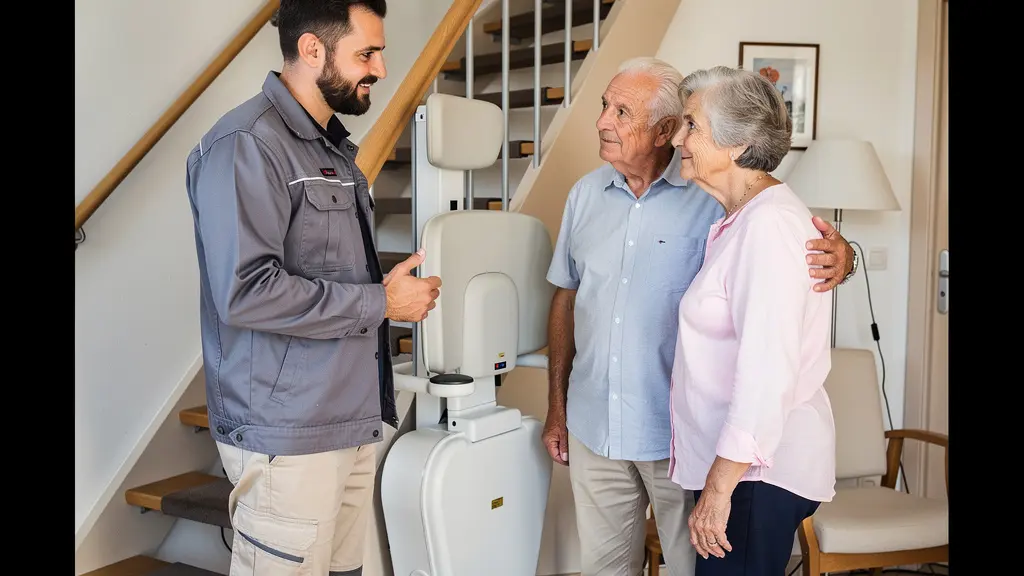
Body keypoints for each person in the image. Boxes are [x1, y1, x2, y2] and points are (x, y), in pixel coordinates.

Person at [542, 57, 854, 576]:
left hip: (697, 448)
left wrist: (845, 256)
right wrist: (559, 406)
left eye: (622, 111)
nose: (602, 122)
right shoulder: (591, 197)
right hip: (602, 426)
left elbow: (768, 359)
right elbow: (568, 297)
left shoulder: (741, 211)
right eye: (605, 107)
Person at [183, 1, 442, 574]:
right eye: (366, 54)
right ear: (311, 50)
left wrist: (387, 296)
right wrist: (383, 302)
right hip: (287, 436)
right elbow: (246, 290)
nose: (379, 67)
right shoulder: (246, 145)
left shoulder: (333, 152)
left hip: (347, 420)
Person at [667, 65, 837, 576]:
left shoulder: (769, 226)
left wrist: (719, 490)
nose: (677, 138)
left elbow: (767, 371)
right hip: (743, 470)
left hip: (755, 476)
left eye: (691, 125)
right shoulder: (743, 218)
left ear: (738, 145)